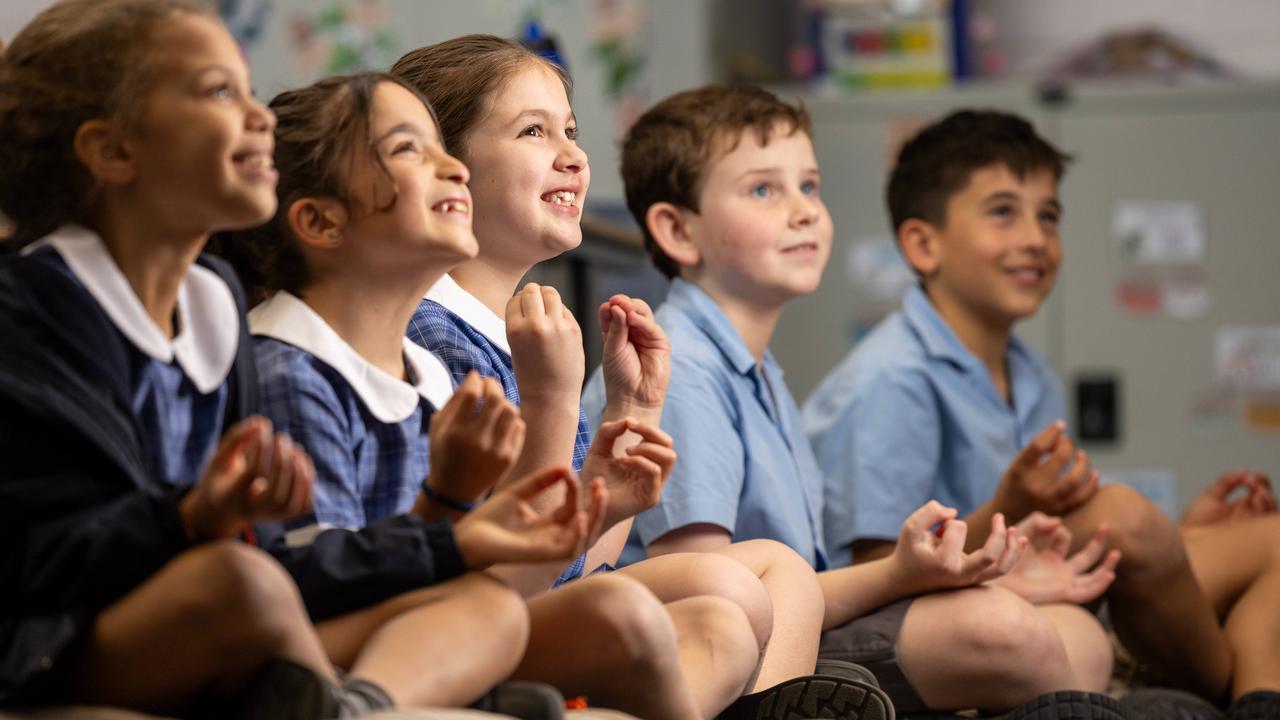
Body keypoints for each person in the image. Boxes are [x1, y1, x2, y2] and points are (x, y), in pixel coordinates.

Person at [584, 85, 1125, 717]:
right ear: (678, 230)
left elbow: (811, 577)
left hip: (803, 615)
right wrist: (900, 574)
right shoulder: (681, 367)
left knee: (1082, 638)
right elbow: (719, 601)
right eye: (765, 190)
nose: (804, 211)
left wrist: (980, 569)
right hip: (735, 642)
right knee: (1008, 634)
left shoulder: (761, 371)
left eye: (809, 186)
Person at [390, 35, 887, 720]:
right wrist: (557, 396)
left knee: (774, 573)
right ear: (447, 170)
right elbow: (516, 572)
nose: (573, 155)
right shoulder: (429, 337)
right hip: (474, 623)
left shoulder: (520, 334)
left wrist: (634, 406)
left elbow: (581, 558)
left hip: (533, 599)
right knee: (730, 590)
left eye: (570, 130)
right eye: (533, 131)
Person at [804, 108, 1280, 717]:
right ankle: (1233, 695)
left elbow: (1059, 532)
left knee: (1261, 539)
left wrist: (1178, 538)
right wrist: (1012, 505)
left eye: (1048, 216)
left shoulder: (1030, 372)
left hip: (1047, 581)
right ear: (923, 244)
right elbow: (877, 575)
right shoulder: (888, 381)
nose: (1034, 237)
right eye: (1003, 212)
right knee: (1124, 515)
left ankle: (1256, 697)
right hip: (955, 612)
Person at [0, 2, 395, 716]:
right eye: (220, 91)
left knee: (487, 604)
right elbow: (33, 564)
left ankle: (338, 696)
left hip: (210, 612)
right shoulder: (27, 313)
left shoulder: (214, 302)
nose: (260, 114)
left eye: (249, 89)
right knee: (237, 584)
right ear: (113, 151)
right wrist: (187, 517)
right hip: (54, 647)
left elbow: (268, 550)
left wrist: (451, 530)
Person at [217, 71, 612, 714]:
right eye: (410, 150)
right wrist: (456, 499)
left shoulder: (422, 375)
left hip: (406, 622)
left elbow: (454, 559)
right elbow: (324, 586)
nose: (450, 169)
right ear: (320, 221)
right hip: (314, 646)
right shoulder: (287, 370)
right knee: (520, 613)